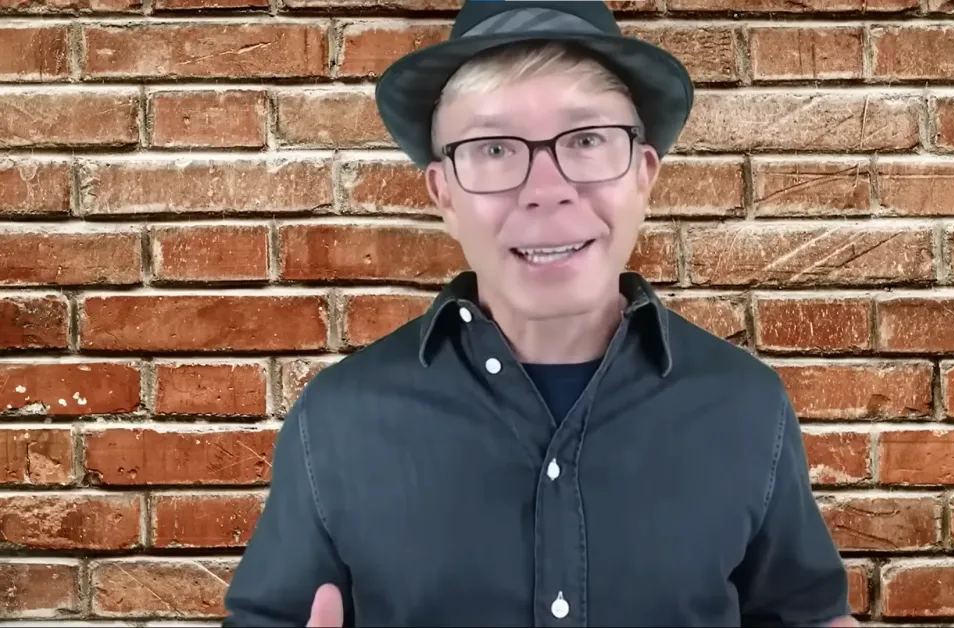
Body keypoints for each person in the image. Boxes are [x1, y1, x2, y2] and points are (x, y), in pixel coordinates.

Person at [222, 1, 857, 626]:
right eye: (494, 148)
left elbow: (806, 616)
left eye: (586, 140)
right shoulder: (337, 419)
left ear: (643, 175)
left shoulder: (749, 407)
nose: (546, 191)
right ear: (444, 194)